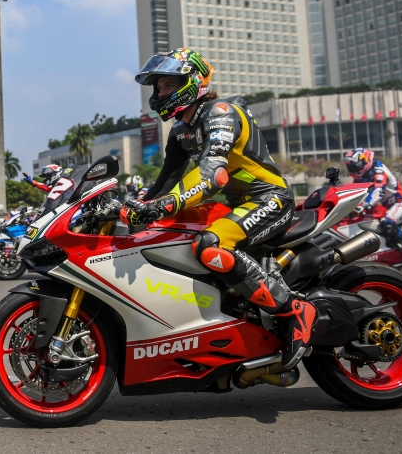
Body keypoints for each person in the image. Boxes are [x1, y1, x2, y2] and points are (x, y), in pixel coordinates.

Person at [115, 48, 315, 369]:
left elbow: (212, 174)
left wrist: (164, 205)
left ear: (192, 82)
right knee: (171, 233)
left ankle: (293, 310)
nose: (160, 93)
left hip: (271, 200)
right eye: (159, 87)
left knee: (209, 246)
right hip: (237, 204)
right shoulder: (181, 130)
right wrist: (137, 207)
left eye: (168, 86)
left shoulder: (220, 113)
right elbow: (166, 182)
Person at [344, 148, 402, 265]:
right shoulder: (359, 176)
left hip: (400, 203)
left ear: (365, 161)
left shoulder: (378, 169)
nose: (354, 170)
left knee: (387, 223)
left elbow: (378, 190)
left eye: (355, 166)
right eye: (351, 167)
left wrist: (365, 205)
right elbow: (353, 193)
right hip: (385, 206)